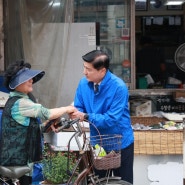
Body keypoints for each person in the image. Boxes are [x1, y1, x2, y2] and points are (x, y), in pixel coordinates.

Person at [0, 60, 76, 185]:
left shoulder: (17, 100)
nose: (31, 80)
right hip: (19, 160)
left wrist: (47, 125)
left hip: (17, 159)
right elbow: (46, 112)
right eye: (27, 78)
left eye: (31, 78)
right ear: (17, 83)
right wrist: (68, 108)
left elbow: (28, 128)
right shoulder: (21, 102)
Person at [70, 50, 134, 184]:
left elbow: (111, 119)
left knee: (124, 182)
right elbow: (78, 107)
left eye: (88, 69)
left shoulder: (119, 87)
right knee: (98, 180)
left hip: (120, 143)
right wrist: (75, 113)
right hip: (98, 144)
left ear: (102, 71)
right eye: (84, 67)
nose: (84, 72)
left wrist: (86, 116)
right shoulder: (83, 84)